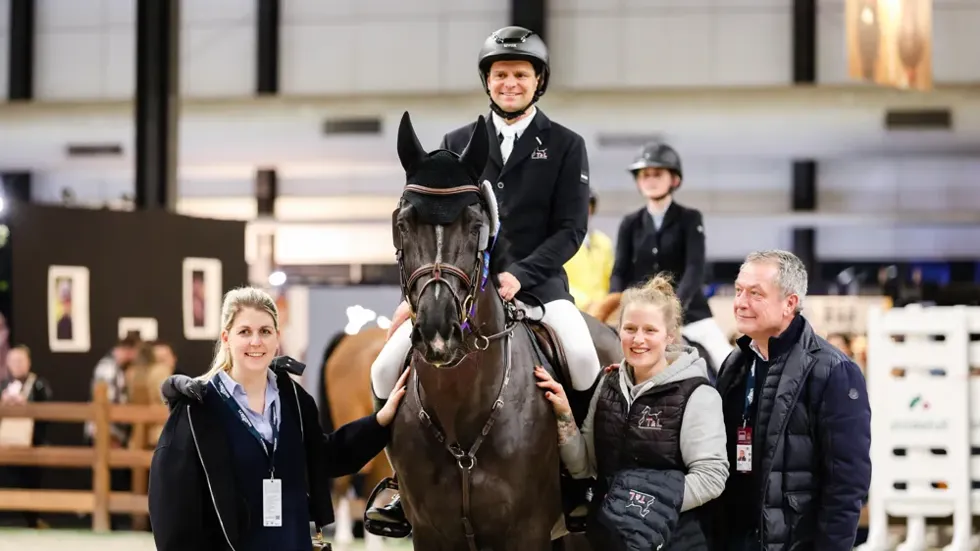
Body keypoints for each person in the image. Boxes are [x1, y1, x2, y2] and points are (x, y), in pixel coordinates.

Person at [365, 25, 601, 533]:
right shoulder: (457, 144)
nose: (510, 82)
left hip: (539, 288)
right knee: (384, 370)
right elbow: (432, 229)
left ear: (538, 81)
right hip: (458, 292)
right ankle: (399, 485)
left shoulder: (565, 145)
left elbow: (570, 229)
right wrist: (422, 295)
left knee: (582, 360)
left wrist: (519, 275)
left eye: (520, 74)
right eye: (501, 75)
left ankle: (579, 478)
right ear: (487, 81)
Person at [148, 286, 410, 551]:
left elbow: (326, 456)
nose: (256, 342)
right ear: (226, 338)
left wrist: (379, 422)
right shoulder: (196, 410)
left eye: (264, 331)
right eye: (244, 332)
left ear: (277, 337)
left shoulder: (294, 399)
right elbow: (172, 510)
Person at [535, 274, 728, 549]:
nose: (638, 339)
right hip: (609, 539)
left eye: (650, 330)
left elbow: (712, 477)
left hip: (674, 541)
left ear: (669, 336)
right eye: (630, 329)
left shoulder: (698, 395)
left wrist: (645, 506)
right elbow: (585, 466)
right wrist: (565, 417)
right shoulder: (607, 384)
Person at [708, 250, 871, 550]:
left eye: (756, 294)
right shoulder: (735, 364)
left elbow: (846, 485)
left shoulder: (832, 371)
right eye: (739, 290)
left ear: (790, 303)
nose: (741, 302)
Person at [610, 142, 732, 373]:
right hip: (641, 314)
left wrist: (674, 310)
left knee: (725, 359)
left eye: (657, 174)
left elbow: (694, 268)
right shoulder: (630, 223)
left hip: (690, 314)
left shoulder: (690, 218)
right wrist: (616, 306)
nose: (651, 180)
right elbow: (619, 270)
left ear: (674, 180)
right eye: (645, 175)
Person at [0, 345, 53, 528]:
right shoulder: (4, 385)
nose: (17, 365)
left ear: (28, 362)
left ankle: (32, 519)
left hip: (33, 442)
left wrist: (27, 405)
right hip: (6, 444)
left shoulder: (38, 384)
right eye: (13, 361)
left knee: (31, 481)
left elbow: (48, 409)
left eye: (20, 361)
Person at [564, 188, 615, 311]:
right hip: (571, 308)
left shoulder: (603, 242)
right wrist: (586, 303)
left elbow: (611, 277)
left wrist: (606, 303)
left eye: (587, 206)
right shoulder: (560, 242)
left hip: (602, 311)